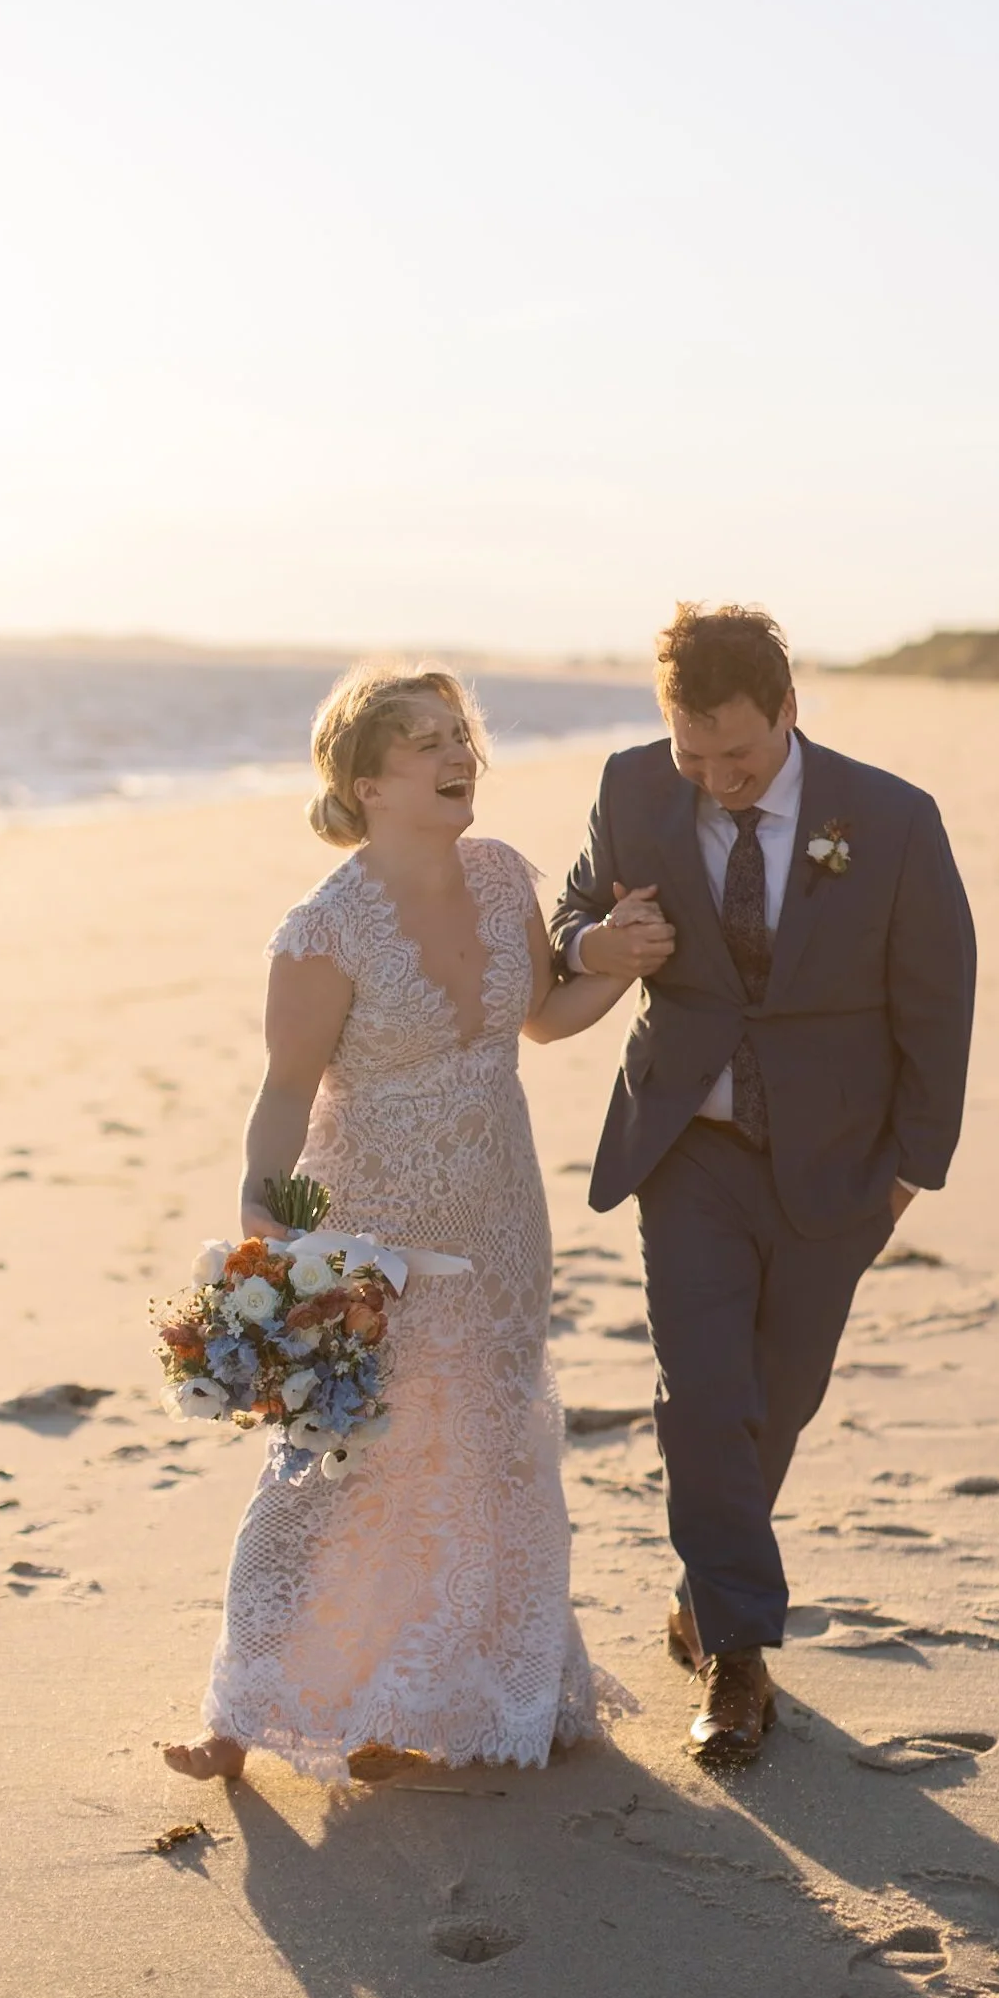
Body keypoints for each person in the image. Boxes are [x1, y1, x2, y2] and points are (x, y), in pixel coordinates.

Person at [163, 665, 662, 1784]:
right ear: (366, 780)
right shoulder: (321, 931)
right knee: (335, 1457)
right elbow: (287, 1090)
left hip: (499, 1215)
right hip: (371, 1223)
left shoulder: (498, 878)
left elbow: (540, 1016)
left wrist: (621, 967)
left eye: (462, 736)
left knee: (484, 1437)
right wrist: (260, 1212)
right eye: (428, 741)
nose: (457, 756)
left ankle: (440, 1692)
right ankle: (238, 1716)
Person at [550, 604, 976, 1769]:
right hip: (685, 1142)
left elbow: (940, 1004)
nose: (717, 780)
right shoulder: (635, 790)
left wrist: (908, 1175)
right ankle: (739, 1653)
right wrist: (597, 945)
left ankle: (706, 1589)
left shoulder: (890, 819)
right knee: (700, 1388)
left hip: (841, 1163)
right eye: (694, 756)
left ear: (788, 712)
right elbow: (573, 915)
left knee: (774, 1397)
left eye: (737, 755)